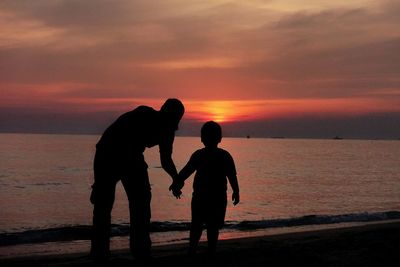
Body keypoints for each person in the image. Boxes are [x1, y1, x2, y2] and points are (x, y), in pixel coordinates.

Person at [90, 98, 184, 261]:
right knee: (104, 204)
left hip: (133, 156)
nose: (174, 123)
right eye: (172, 118)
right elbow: (121, 138)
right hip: (109, 150)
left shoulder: (168, 130)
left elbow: (166, 159)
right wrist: (102, 182)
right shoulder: (143, 113)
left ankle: (140, 250)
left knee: (141, 202)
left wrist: (176, 178)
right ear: (162, 111)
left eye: (176, 119)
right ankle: (100, 252)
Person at [171, 121, 240, 256]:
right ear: (220, 138)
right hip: (213, 197)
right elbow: (232, 176)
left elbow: (186, 171)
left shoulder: (201, 155)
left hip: (204, 197)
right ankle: (209, 251)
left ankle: (194, 250)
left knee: (198, 226)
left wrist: (177, 183)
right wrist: (236, 191)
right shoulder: (224, 155)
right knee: (211, 227)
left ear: (202, 138)